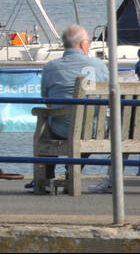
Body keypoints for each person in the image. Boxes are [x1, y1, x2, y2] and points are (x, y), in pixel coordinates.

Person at [38, 24, 111, 191]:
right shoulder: (99, 66)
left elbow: (46, 101)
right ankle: (73, 172)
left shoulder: (51, 67)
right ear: (84, 44)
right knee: (87, 127)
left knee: (46, 125)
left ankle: (48, 177)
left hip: (62, 129)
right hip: (94, 130)